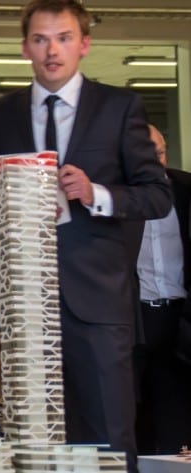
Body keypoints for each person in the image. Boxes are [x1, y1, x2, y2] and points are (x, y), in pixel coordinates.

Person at [0, 0, 172, 472]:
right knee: (31, 439)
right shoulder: (2, 115)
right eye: (40, 39)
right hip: (23, 305)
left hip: (97, 301)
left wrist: (96, 192)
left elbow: (155, 195)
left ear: (84, 45)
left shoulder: (120, 107)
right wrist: (19, 216)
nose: (51, 50)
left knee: (107, 436)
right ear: (24, 48)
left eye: (63, 38)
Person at [134, 124, 191, 454]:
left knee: (176, 416)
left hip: (179, 317)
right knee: (134, 415)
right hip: (136, 316)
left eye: (159, 152)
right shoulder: (117, 197)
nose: (154, 161)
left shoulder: (185, 189)